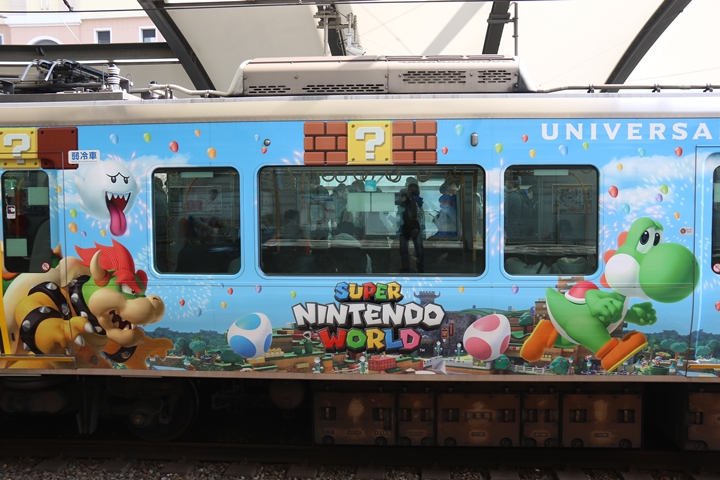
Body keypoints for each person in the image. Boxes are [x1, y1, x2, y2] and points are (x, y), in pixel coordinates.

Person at [504, 174, 534, 243]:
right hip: (519, 230)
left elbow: (504, 214)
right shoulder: (520, 195)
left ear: (512, 184)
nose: (505, 182)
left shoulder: (511, 197)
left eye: (507, 181)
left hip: (512, 230)